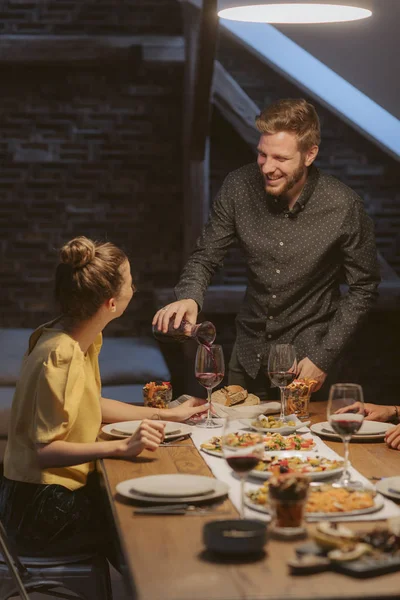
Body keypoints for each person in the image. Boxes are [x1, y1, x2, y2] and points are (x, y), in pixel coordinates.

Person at [153, 98, 380, 399]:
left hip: (306, 361)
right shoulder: (238, 186)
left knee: (302, 445)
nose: (267, 168)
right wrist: (190, 297)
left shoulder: (343, 205)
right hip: (246, 357)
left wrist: (323, 358)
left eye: (281, 159)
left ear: (310, 154)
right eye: (262, 154)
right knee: (231, 442)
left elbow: (364, 286)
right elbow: (206, 256)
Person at [0, 236, 207, 558]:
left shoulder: (73, 335)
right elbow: (45, 451)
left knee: (168, 506)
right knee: (159, 527)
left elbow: (87, 404)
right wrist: (122, 447)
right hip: (41, 507)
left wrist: (167, 414)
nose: (134, 290)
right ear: (111, 303)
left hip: (52, 495)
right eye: (130, 282)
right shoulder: (60, 353)